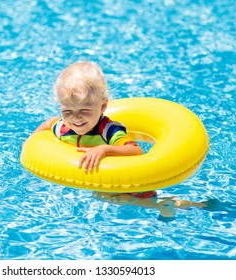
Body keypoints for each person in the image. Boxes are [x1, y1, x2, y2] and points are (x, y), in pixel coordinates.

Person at [32, 60, 157, 199]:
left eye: (84, 109)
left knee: (102, 195)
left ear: (102, 106)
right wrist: (32, 141)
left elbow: (136, 151)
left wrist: (104, 149)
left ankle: (164, 204)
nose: (75, 117)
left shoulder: (108, 130)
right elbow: (49, 123)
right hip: (89, 181)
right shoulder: (63, 127)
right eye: (67, 110)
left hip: (125, 182)